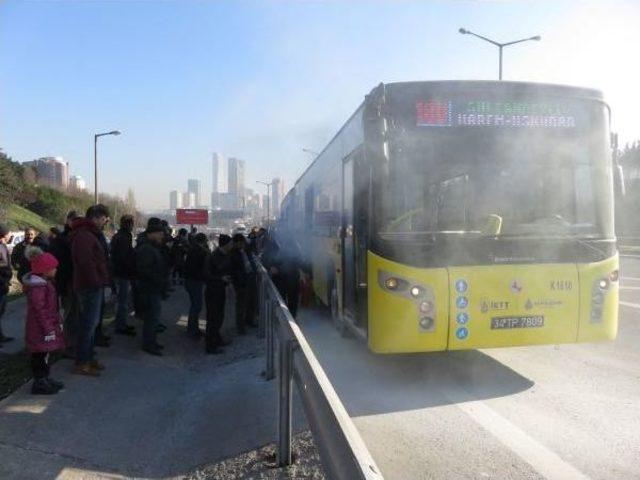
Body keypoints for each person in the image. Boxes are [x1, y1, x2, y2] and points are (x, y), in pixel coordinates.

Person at [71, 204, 111, 376]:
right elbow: (86, 263)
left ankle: (88, 357)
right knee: (88, 325)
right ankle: (82, 362)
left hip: (93, 284)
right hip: (89, 286)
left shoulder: (89, 234)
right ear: (95, 217)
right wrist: (96, 282)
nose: (105, 223)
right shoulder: (84, 236)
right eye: (104, 219)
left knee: (91, 324)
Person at [23, 247, 65, 395]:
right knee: (39, 355)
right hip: (40, 329)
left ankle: (45, 378)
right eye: (53, 268)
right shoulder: (38, 288)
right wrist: (48, 328)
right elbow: (40, 310)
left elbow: (51, 307)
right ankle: (39, 382)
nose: (56, 270)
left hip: (45, 326)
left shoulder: (44, 284)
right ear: (45, 270)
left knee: (45, 353)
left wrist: (56, 321)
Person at [48, 211, 79, 357]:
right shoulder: (63, 239)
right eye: (73, 220)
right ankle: (66, 345)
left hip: (71, 281)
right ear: (67, 221)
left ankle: (68, 343)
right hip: (66, 281)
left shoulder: (71, 237)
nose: (75, 222)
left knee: (72, 314)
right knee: (69, 314)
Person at [135, 222, 168, 356]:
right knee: (151, 318)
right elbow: (144, 270)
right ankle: (149, 343)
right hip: (149, 289)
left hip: (152, 287)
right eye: (160, 234)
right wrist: (158, 280)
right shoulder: (146, 249)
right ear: (153, 233)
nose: (162, 237)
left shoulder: (151, 247)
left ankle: (151, 341)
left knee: (152, 318)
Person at [203, 234, 233, 354]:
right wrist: (221, 279)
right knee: (213, 318)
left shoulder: (224, 255)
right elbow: (206, 275)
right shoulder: (214, 256)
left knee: (219, 317)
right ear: (225, 245)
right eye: (230, 244)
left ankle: (217, 339)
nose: (232, 246)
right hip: (213, 291)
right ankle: (210, 346)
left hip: (219, 290)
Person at [110, 214, 136, 336]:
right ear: (129, 224)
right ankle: (120, 326)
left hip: (117, 272)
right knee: (122, 302)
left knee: (121, 301)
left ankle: (121, 324)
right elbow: (125, 257)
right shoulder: (125, 237)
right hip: (122, 273)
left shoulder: (118, 236)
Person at [184, 232, 209, 338]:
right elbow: (199, 268)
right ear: (203, 241)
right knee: (196, 306)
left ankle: (193, 328)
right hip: (195, 281)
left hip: (190, 280)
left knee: (195, 305)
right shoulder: (199, 252)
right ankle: (192, 330)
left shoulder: (192, 249)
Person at [230, 233, 254, 334]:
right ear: (237, 243)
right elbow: (234, 270)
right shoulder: (233, 253)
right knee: (241, 304)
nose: (243, 244)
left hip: (249, 277)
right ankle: (240, 327)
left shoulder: (244, 250)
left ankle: (248, 320)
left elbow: (250, 260)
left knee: (250, 301)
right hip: (241, 282)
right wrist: (241, 280)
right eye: (242, 243)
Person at [0, 224, 14, 346]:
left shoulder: (3, 246)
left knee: (1, 311)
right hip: (0, 284)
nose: (11, 235)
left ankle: (1, 336)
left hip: (3, 284)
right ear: (4, 234)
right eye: (10, 232)